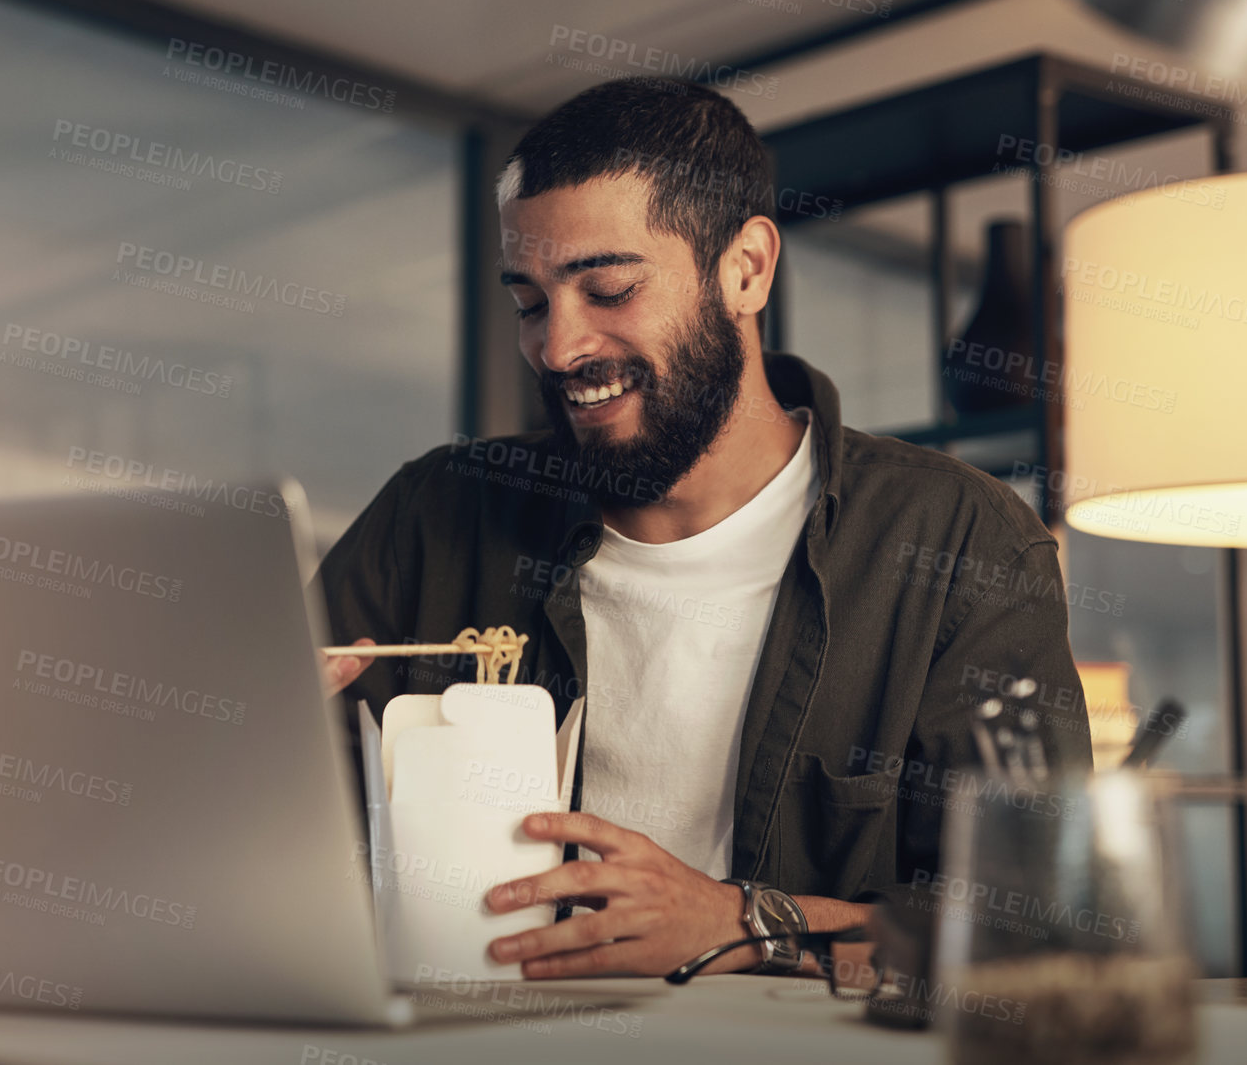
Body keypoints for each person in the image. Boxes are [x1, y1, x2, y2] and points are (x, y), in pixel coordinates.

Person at [317, 76, 1092, 981]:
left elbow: (1038, 925)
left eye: (606, 288)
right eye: (529, 301)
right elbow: (269, 839)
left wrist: (744, 920)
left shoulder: (961, 543)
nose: (556, 347)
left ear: (746, 270)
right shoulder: (433, 512)